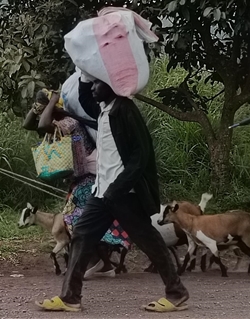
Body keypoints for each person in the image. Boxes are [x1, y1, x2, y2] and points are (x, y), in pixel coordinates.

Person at [37, 76, 188, 313]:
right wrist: (86, 73)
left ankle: (176, 292)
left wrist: (119, 187)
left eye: (99, 83)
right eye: (93, 82)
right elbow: (86, 96)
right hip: (102, 192)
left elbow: (141, 155)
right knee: (82, 235)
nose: (94, 88)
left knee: (148, 240)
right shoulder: (105, 108)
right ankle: (70, 297)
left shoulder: (125, 109)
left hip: (123, 192)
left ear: (112, 85)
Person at [22, 89, 131, 278]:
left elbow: (42, 124)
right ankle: (102, 264)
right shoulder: (59, 123)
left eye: (45, 109)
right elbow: (28, 124)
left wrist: (52, 100)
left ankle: (99, 262)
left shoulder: (71, 123)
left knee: (80, 222)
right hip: (79, 181)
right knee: (80, 222)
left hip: (88, 180)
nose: (42, 113)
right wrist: (39, 104)